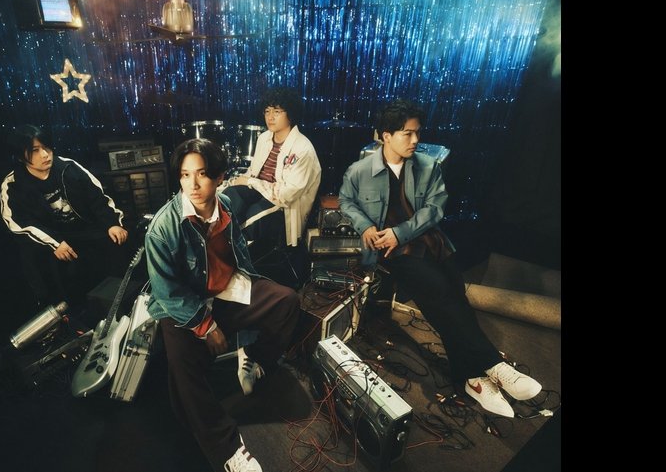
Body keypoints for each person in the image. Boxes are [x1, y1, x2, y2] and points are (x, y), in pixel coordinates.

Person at [338, 100, 542, 418]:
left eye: (417, 133)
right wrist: (365, 226)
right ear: (386, 136)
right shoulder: (360, 171)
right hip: (391, 251)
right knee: (440, 292)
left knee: (454, 295)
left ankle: (472, 379)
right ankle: (494, 365)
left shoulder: (428, 166)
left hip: (427, 241)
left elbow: (435, 210)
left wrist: (400, 232)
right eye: (407, 133)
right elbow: (346, 202)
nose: (415, 140)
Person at [145, 138, 300, 471]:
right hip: (183, 306)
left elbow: (239, 257)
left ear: (219, 177)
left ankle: (255, 359)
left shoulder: (225, 204)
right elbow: (166, 292)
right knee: (182, 366)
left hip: (226, 290)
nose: (192, 184)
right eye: (185, 175)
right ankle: (227, 449)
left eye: (201, 174)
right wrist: (206, 325)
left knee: (286, 301)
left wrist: (247, 307)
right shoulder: (162, 228)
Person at [0, 124, 129, 309]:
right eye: (35, 150)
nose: (45, 154)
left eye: (46, 147)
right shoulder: (13, 185)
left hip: (82, 230)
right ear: (21, 156)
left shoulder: (68, 167)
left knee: (117, 242)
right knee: (39, 264)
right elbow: (18, 223)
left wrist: (112, 223)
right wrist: (55, 243)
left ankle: (121, 302)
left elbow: (97, 197)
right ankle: (63, 312)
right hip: (49, 239)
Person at [222, 88, 321, 247]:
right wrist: (235, 183)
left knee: (252, 216)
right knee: (228, 196)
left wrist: (251, 182)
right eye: (267, 111)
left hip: (283, 205)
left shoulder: (303, 149)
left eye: (277, 111)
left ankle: (230, 249)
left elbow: (287, 195)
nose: (270, 117)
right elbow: (253, 173)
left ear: (290, 114)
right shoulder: (264, 138)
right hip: (259, 191)